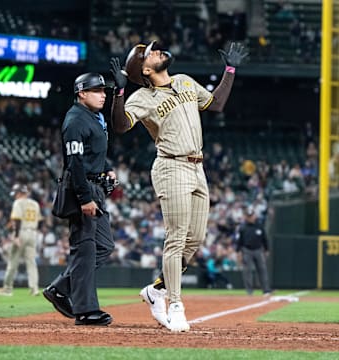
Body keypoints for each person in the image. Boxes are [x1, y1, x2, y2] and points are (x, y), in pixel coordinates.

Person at [109, 40, 247, 332]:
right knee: (176, 238)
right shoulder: (142, 97)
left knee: (194, 239)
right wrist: (119, 92)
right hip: (171, 165)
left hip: (198, 168)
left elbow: (216, 104)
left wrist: (230, 70)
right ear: (146, 69)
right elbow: (121, 126)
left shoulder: (184, 81)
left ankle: (156, 290)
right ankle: (175, 305)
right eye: (151, 53)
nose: (158, 51)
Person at [43, 73, 116, 326]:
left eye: (104, 90)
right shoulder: (75, 120)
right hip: (80, 188)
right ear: (81, 93)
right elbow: (74, 162)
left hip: (94, 185)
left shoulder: (95, 117)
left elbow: (92, 152)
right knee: (84, 250)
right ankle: (86, 311)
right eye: (96, 90)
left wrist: (106, 168)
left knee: (104, 246)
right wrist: (85, 198)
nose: (102, 94)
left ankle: (60, 288)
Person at [0, 184, 42, 296]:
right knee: (31, 263)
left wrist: (16, 236)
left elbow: (17, 219)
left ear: (20, 193)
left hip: (21, 232)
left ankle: (7, 289)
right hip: (33, 233)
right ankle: (34, 289)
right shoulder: (35, 204)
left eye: (16, 193)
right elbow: (40, 220)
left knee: (13, 262)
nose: (15, 196)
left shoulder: (18, 203)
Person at [236, 205, 272, 296]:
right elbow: (240, 241)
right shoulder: (243, 227)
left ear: (254, 216)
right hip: (247, 250)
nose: (250, 218)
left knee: (262, 270)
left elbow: (265, 239)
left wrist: (267, 249)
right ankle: (249, 291)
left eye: (251, 216)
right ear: (246, 217)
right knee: (247, 271)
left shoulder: (259, 226)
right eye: (248, 216)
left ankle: (266, 290)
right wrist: (238, 252)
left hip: (258, 250)